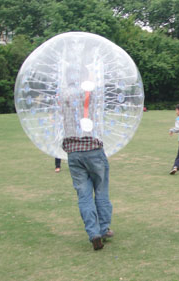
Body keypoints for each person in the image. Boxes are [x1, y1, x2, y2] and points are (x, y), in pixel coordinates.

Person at [61, 87, 114, 251]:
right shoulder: (90, 100)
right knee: (101, 191)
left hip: (73, 153)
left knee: (84, 196)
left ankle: (94, 234)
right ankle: (103, 229)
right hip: (93, 150)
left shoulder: (65, 102)